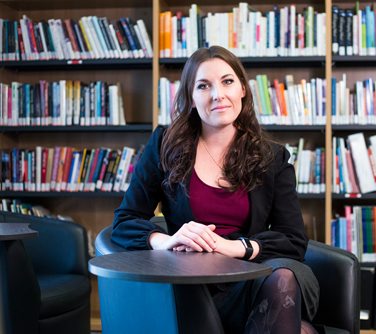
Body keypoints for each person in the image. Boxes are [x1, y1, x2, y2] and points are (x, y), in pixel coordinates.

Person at [111, 45, 319, 334]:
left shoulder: (273, 157)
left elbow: (293, 240)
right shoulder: (164, 146)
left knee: (282, 278)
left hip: (259, 276)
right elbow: (123, 222)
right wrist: (166, 241)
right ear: (191, 99)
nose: (218, 94)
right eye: (203, 85)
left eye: (227, 81)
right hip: (194, 282)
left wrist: (235, 247)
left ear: (243, 90)